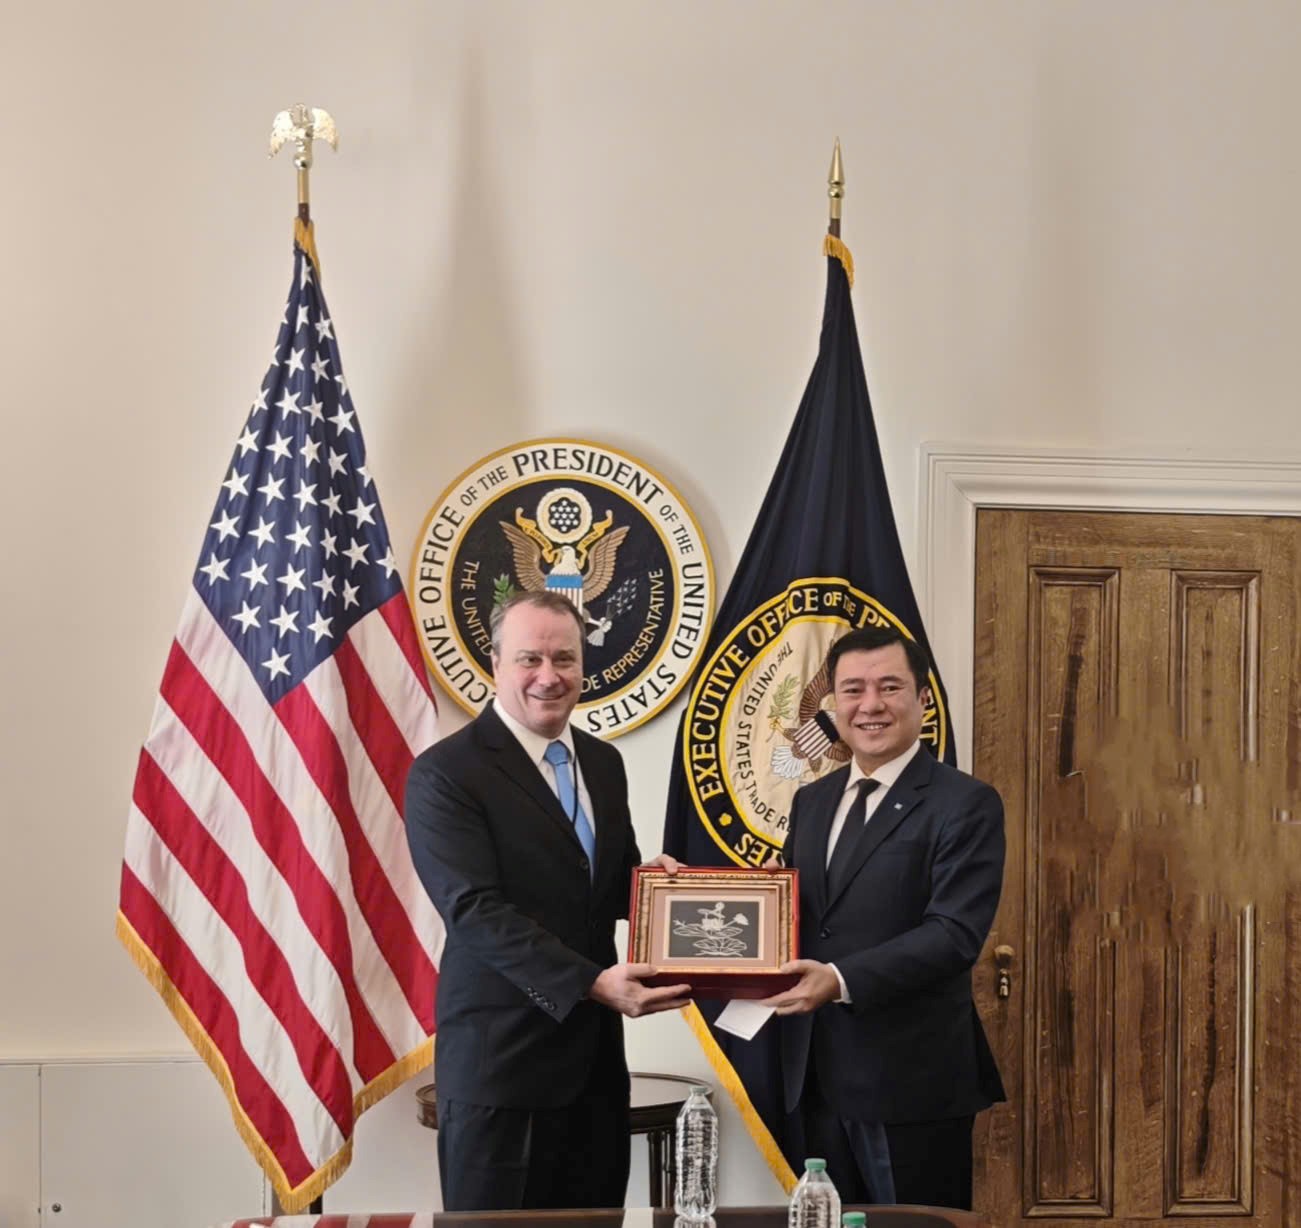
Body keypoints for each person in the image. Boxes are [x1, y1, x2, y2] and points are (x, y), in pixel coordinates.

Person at [405, 591, 689, 1211]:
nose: (549, 675)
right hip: (502, 1073)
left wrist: (663, 890)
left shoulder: (603, 763)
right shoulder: (446, 774)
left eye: (565, 658)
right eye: (529, 658)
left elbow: (605, 883)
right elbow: (474, 911)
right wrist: (592, 983)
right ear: (495, 664)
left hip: (596, 1072)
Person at [760, 625, 1005, 1210]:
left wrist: (838, 979)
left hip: (910, 1084)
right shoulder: (812, 801)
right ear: (834, 703)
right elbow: (808, 915)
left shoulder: (965, 803)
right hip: (812, 1076)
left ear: (922, 698)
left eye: (889, 687)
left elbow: (953, 935)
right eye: (853, 690)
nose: (870, 705)